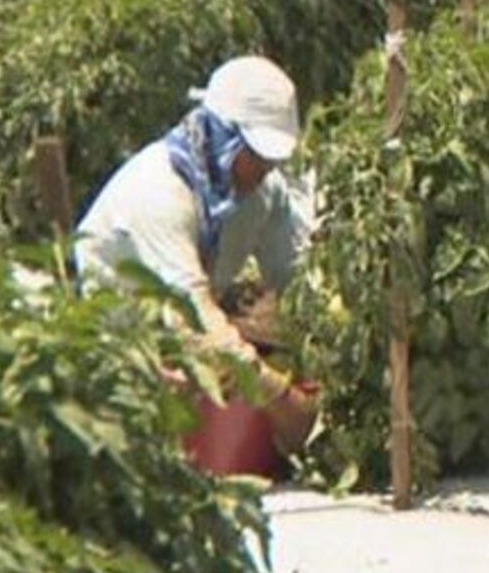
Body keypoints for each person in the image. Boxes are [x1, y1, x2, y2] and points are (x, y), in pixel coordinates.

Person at [75, 55, 319, 446]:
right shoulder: (159, 191)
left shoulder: (260, 191)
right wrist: (282, 397)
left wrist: (325, 349)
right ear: (224, 137)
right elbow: (195, 320)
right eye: (257, 156)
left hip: (191, 343)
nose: (266, 168)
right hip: (124, 350)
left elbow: (296, 278)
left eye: (272, 159)